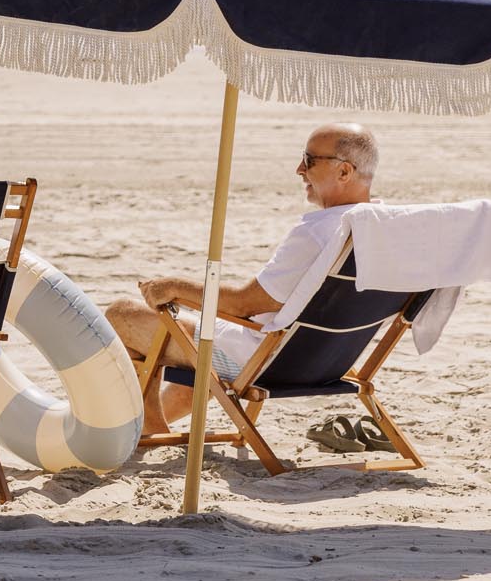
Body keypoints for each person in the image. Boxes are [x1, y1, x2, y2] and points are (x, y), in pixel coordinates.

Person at [104, 122, 379, 436]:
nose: (299, 169)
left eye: (309, 160)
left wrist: (173, 286)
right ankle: (144, 422)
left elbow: (243, 304)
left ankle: (148, 426)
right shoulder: (381, 229)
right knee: (196, 343)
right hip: (329, 360)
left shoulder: (317, 232)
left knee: (121, 314)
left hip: (264, 361)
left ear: (344, 172)